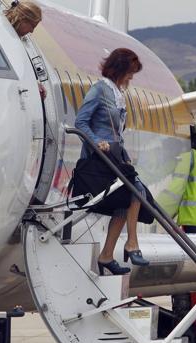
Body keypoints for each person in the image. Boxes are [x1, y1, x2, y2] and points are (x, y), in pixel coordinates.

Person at [74, 48, 148, 275]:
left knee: (126, 202)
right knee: (136, 192)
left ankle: (107, 255)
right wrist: (97, 142)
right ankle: (131, 244)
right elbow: (81, 122)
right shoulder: (99, 90)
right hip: (99, 159)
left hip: (115, 157)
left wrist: (123, 153)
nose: (131, 78)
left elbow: (117, 132)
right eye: (130, 72)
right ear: (120, 69)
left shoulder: (117, 93)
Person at [4, 0, 47, 99]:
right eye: (32, 26)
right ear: (23, 19)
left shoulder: (16, 40)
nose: (32, 31)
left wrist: (34, 84)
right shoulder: (3, 38)